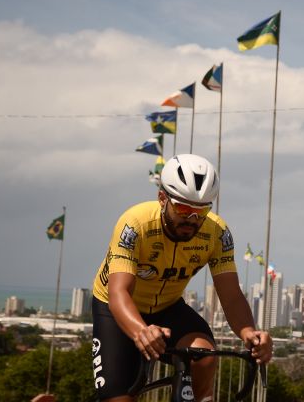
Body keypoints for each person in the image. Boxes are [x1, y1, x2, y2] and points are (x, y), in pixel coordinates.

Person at [91, 154, 272, 402]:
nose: (192, 220)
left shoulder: (217, 234)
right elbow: (118, 293)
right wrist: (141, 331)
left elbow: (230, 296)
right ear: (162, 198)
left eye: (202, 211)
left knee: (204, 356)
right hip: (116, 310)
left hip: (167, 308)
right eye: (184, 209)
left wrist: (249, 333)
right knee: (118, 398)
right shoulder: (134, 224)